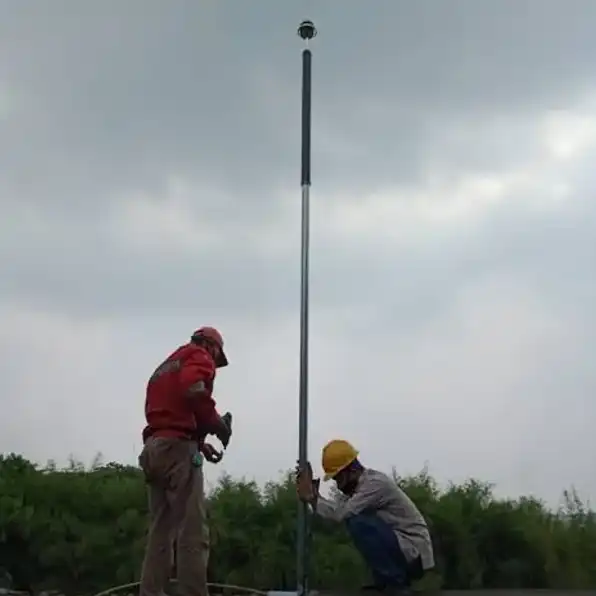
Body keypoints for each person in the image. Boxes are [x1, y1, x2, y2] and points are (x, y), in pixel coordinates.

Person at [138, 326, 233, 596]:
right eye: (216, 357)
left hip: (155, 449)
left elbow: (170, 414)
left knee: (160, 533)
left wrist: (200, 443)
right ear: (211, 346)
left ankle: (151, 592)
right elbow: (194, 389)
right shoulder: (199, 356)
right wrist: (216, 423)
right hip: (177, 451)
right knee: (192, 532)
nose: (214, 363)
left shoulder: (166, 365)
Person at [296, 439, 434, 595]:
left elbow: (342, 514)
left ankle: (395, 583)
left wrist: (313, 498)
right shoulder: (359, 490)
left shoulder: (373, 484)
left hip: (414, 552)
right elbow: (336, 512)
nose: (338, 486)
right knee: (357, 519)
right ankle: (387, 582)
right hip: (405, 550)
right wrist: (314, 499)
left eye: (338, 479)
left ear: (352, 471)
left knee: (357, 521)